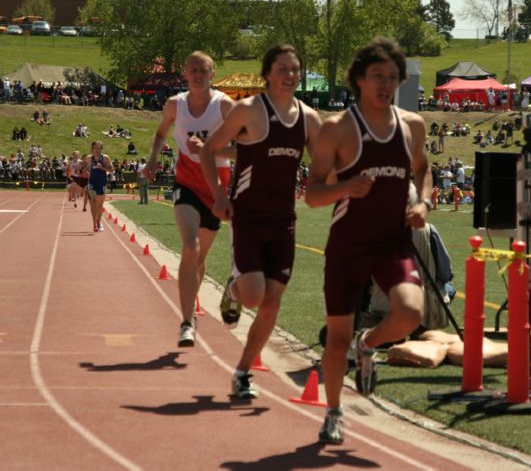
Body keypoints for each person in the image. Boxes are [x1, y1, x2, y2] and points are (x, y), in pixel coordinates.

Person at [305, 37, 431, 444]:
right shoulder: (337, 128)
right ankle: (334, 413)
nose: (385, 84)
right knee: (335, 339)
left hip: (393, 241)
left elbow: (423, 168)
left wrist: (424, 203)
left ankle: (370, 343)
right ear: (359, 78)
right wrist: (347, 187)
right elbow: (312, 195)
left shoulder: (411, 125)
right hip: (348, 245)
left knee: (410, 314)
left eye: (392, 78)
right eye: (377, 76)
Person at [200, 44, 321, 399]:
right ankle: (234, 288)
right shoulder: (248, 111)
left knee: (272, 302)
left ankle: (242, 372)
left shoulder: (309, 118)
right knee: (254, 296)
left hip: (284, 219)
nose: (290, 75)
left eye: (295, 69)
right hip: (248, 216)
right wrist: (219, 196)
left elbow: (325, 163)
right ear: (268, 73)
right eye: (282, 68)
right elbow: (210, 150)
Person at [143, 51, 236, 348]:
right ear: (184, 73)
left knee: (200, 259)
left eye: (203, 70)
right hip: (186, 184)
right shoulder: (175, 105)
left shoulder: (224, 106)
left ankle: (191, 306)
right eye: (193, 69)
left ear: (212, 74)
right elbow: (160, 134)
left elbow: (246, 150)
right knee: (189, 247)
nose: (198, 74)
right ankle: (187, 322)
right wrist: (154, 158)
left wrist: (208, 148)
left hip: (217, 189)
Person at [85, 141, 113, 233]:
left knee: (99, 205)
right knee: (92, 205)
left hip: (102, 183)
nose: (97, 150)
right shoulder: (89, 159)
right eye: (95, 148)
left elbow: (112, 170)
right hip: (91, 183)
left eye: (99, 148)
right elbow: (83, 170)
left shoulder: (105, 158)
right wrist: (85, 172)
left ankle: (98, 221)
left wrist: (102, 168)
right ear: (92, 149)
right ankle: (94, 224)